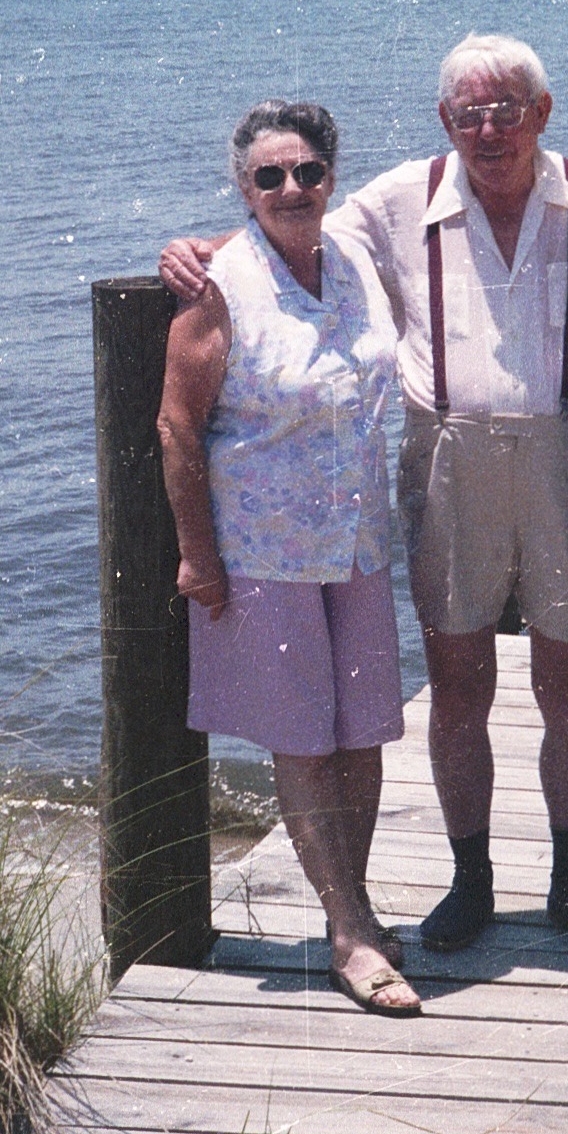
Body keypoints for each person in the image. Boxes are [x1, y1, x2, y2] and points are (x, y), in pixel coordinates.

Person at [160, 36, 568, 957]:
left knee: (567, 684)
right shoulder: (397, 199)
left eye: (507, 110)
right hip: (446, 456)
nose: (489, 129)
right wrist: (197, 247)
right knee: (457, 685)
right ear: (443, 121)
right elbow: (290, 229)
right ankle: (471, 882)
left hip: (565, 456)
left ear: (543, 111)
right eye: (468, 113)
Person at [157, 99, 420, 1017]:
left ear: (330, 179)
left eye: (306, 170)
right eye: (269, 176)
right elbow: (177, 427)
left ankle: (357, 905)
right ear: (244, 189)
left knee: (364, 732)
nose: (291, 188)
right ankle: (348, 930)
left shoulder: (349, 256)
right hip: (264, 549)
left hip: (356, 540)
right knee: (305, 740)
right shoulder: (218, 284)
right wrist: (198, 557)